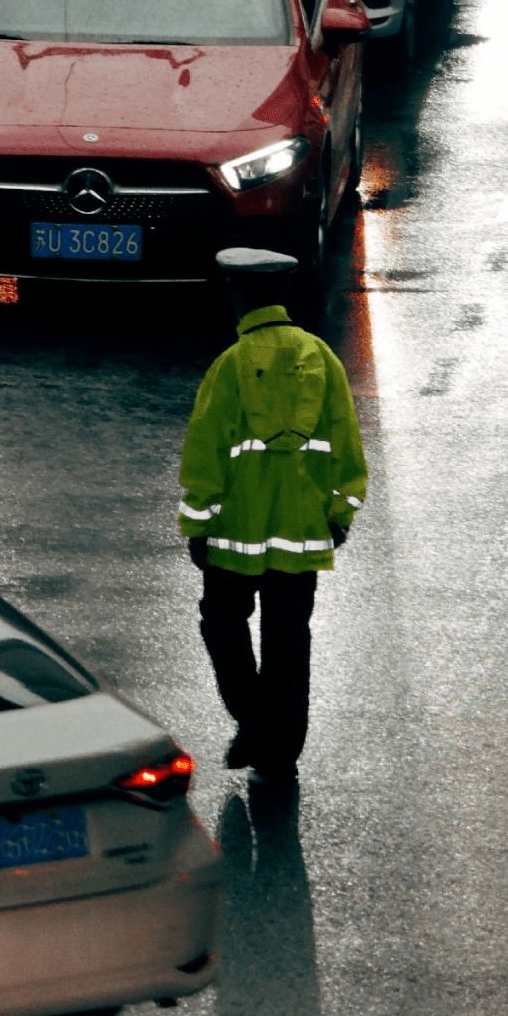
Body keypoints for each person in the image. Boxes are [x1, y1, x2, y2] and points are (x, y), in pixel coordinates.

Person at [178, 246, 367, 784]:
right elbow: (348, 448)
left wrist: (198, 524)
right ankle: (282, 750)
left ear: (239, 297)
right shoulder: (322, 360)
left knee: (222, 626)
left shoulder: (230, 366)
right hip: (303, 536)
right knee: (289, 640)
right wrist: (339, 516)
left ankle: (254, 720)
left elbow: (206, 453)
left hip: (233, 538)